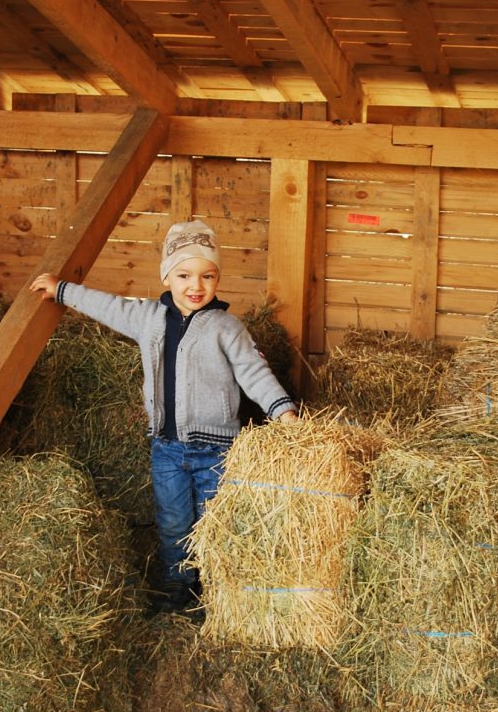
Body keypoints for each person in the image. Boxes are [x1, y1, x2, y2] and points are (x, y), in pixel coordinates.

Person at [29, 219, 298, 613]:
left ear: (218, 278)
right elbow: (107, 305)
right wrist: (61, 290)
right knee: (173, 524)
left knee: (213, 526)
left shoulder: (227, 327)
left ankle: (216, 596)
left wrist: (283, 410)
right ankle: (177, 592)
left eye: (208, 275)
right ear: (167, 276)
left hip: (219, 451)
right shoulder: (147, 318)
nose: (197, 285)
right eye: (185, 274)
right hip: (167, 450)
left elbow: (253, 372)